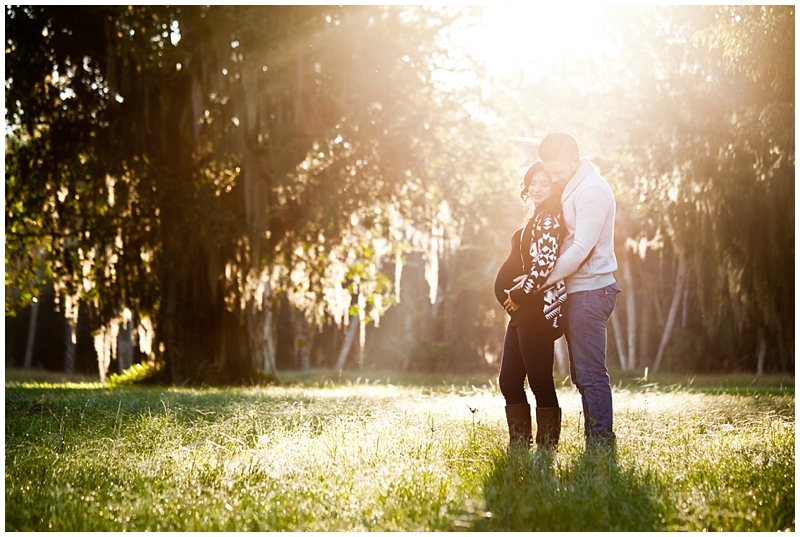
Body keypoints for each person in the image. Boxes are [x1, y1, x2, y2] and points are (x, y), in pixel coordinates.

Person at [534, 132, 621, 447]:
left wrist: (541, 280)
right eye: (549, 170)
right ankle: (596, 440)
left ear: (574, 160)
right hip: (578, 291)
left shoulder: (592, 191)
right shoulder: (572, 185)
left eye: (557, 170)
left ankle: (600, 443)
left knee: (590, 374)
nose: (553, 177)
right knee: (581, 374)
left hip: (590, 292)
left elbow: (581, 247)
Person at [494, 161, 568, 450]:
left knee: (539, 381)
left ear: (554, 187)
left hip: (535, 310)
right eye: (532, 183)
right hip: (523, 312)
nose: (536, 188)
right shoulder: (538, 217)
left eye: (544, 184)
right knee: (509, 380)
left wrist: (521, 293)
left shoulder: (550, 219)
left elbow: (545, 265)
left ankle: (547, 449)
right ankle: (519, 445)